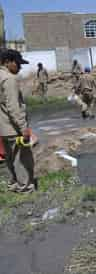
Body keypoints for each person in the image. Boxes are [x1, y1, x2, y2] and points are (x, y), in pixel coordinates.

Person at [0, 49, 36, 193]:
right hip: (14, 127)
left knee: (10, 158)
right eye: (18, 64)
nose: (20, 67)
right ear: (7, 62)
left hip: (3, 127)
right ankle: (24, 186)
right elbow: (13, 107)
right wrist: (23, 128)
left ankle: (13, 183)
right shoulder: (9, 79)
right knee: (23, 158)